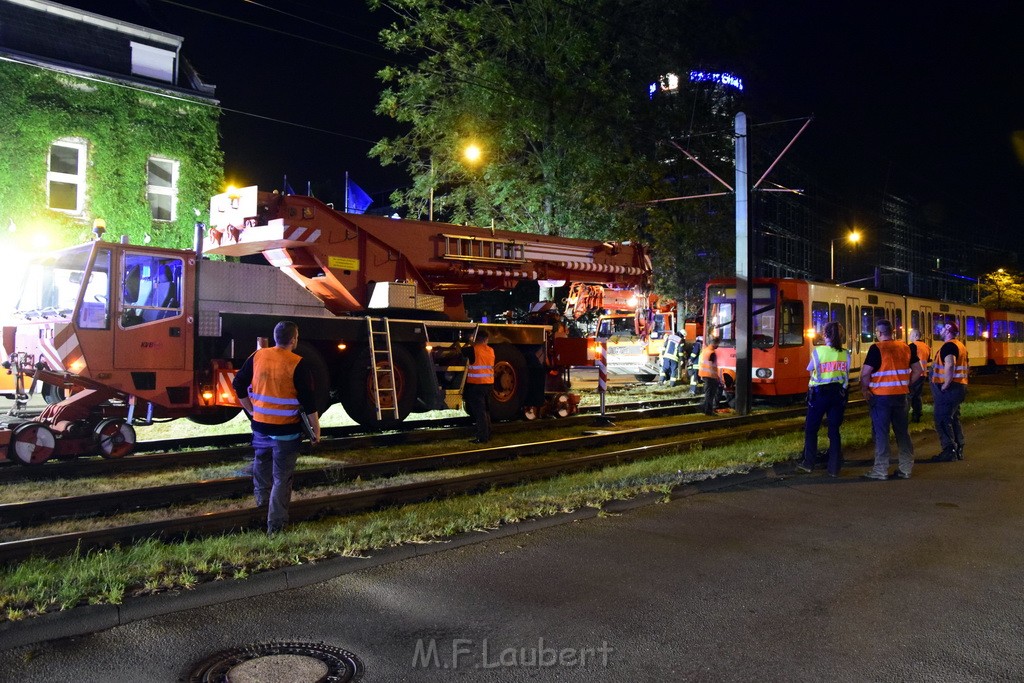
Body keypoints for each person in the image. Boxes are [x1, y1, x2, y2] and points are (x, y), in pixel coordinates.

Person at [232, 321, 321, 534]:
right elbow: (308, 403)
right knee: (282, 477)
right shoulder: (297, 363)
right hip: (286, 432)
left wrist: (252, 410)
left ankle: (261, 505)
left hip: (260, 427)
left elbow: (238, 384)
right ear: (293, 339)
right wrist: (316, 431)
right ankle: (276, 526)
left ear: (275, 337)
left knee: (261, 465)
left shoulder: (258, 356)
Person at [860, 319, 922, 480]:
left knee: (882, 434)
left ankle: (880, 470)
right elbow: (918, 370)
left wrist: (865, 389)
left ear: (879, 333)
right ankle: (906, 468)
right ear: (892, 332)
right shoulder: (905, 347)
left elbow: (866, 373)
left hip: (881, 398)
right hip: (901, 396)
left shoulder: (877, 348)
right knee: (903, 433)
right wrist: (906, 383)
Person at [798, 321, 851, 477]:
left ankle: (808, 463)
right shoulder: (845, 353)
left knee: (811, 428)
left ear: (825, 335)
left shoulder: (818, 351)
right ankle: (834, 468)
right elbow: (846, 374)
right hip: (838, 394)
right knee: (834, 431)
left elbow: (809, 368)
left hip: (819, 395)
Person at [930, 321, 968, 462]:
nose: (939, 331)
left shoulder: (949, 346)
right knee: (953, 417)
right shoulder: (960, 345)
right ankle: (959, 447)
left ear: (947, 331)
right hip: (959, 387)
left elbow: (950, 363)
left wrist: (945, 384)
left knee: (942, 419)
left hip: (950, 389)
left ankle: (949, 450)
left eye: (941, 329)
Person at [462, 327, 494, 443]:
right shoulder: (491, 350)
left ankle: (482, 437)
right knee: (486, 411)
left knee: (479, 412)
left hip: (476, 386)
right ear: (486, 339)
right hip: (489, 384)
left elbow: (461, 351)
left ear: (477, 339)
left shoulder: (473, 349)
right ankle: (488, 433)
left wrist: (467, 342)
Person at [907, 328, 931, 423]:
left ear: (916, 336)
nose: (909, 336)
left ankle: (907, 415)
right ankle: (917, 414)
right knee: (917, 396)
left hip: (914, 374)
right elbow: (927, 360)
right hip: (923, 374)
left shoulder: (913, 346)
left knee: (909, 396)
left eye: (911, 334)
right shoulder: (926, 346)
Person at [698, 336, 721, 416]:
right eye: (718, 343)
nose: (718, 345)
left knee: (707, 394)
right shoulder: (712, 353)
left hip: (704, 375)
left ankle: (704, 409)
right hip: (710, 376)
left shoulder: (705, 351)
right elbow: (712, 367)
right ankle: (708, 411)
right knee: (710, 395)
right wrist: (717, 377)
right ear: (714, 343)